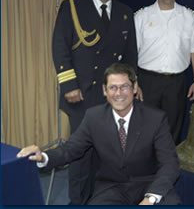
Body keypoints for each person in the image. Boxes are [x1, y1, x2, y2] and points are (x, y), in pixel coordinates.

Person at [17, 63, 180, 205]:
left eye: (124, 86)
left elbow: (170, 163)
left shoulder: (156, 118)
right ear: (104, 90)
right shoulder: (93, 117)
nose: (118, 93)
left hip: (148, 184)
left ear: (134, 88)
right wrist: (43, 156)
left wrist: (150, 199)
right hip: (112, 187)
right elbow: (70, 149)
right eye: (113, 87)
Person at [51, 0, 139, 204]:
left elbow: (130, 54)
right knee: (81, 153)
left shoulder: (124, 12)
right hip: (81, 93)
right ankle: (77, 201)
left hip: (113, 96)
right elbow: (60, 47)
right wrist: (69, 85)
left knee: (108, 152)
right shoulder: (72, 7)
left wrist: (131, 85)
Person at [134, 0, 194, 144]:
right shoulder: (141, 17)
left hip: (176, 83)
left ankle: (167, 168)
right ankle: (145, 168)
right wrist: (134, 82)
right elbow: (131, 52)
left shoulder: (188, 17)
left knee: (173, 129)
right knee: (144, 128)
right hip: (147, 82)